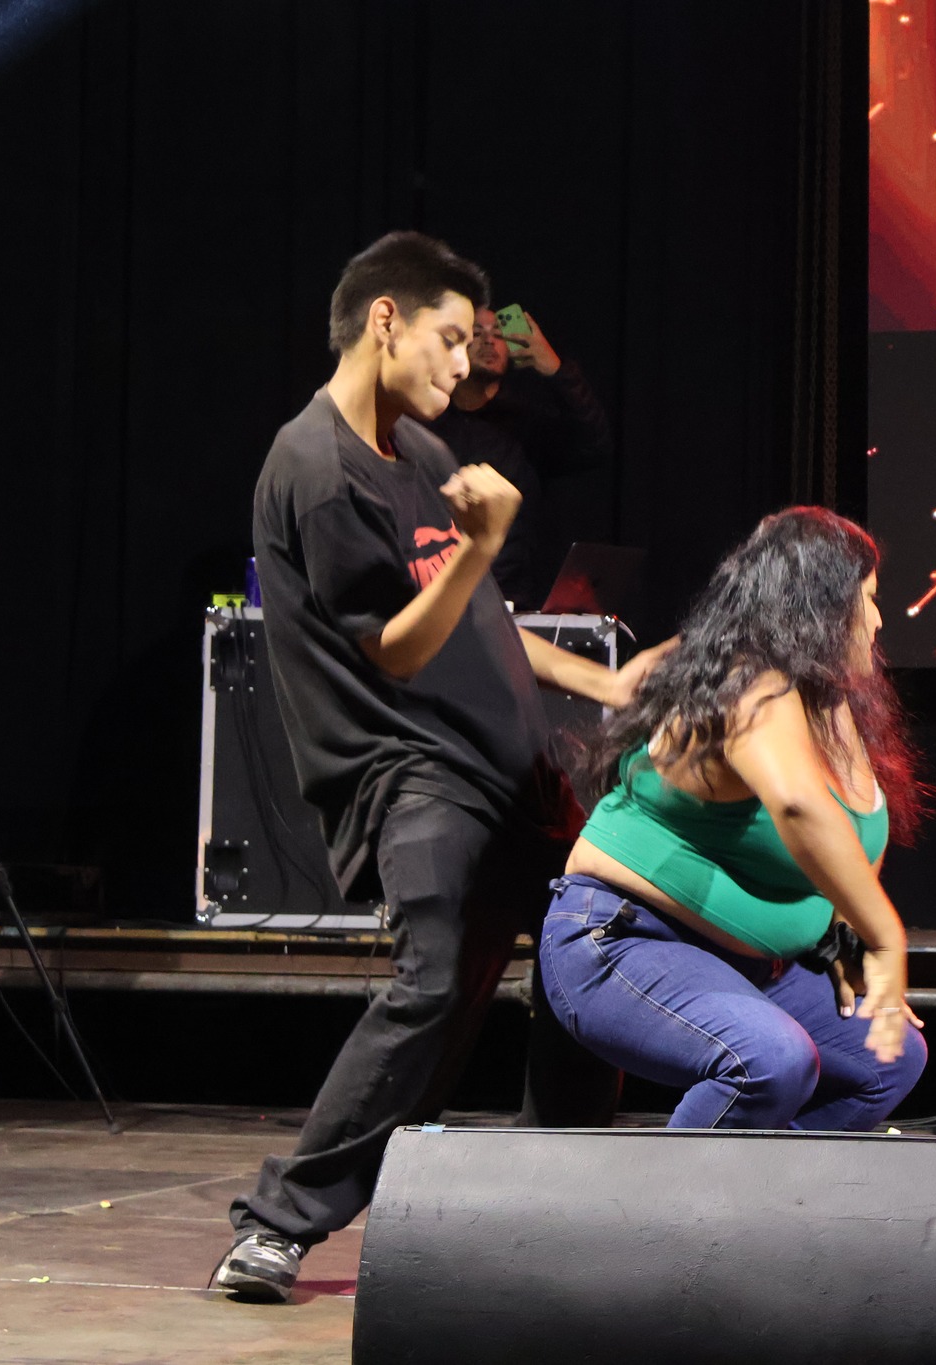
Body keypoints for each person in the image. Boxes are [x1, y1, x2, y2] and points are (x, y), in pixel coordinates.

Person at [217, 232, 661, 1304]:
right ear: (386, 322)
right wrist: (476, 544)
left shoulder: (415, 453)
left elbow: (479, 622)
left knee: (579, 962)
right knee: (431, 987)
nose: (463, 367)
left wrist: (602, 686)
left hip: (510, 765)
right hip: (413, 778)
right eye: (449, 340)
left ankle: (562, 1194)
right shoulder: (317, 471)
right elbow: (399, 647)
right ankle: (277, 1226)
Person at [537, 507, 929, 1131]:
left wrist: (844, 945)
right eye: (869, 600)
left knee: (888, 1060)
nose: (879, 620)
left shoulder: (827, 704)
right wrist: (883, 936)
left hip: (744, 967)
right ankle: (665, 1225)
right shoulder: (744, 683)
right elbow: (799, 807)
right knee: (771, 1059)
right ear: (821, 605)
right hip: (623, 940)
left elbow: (847, 843)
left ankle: (759, 1212)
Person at [426, 305, 615, 607]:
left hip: (511, 602)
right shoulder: (426, 424)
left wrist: (555, 368)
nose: (489, 341)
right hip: (433, 592)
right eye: (477, 333)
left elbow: (594, 444)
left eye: (499, 334)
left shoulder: (526, 424)